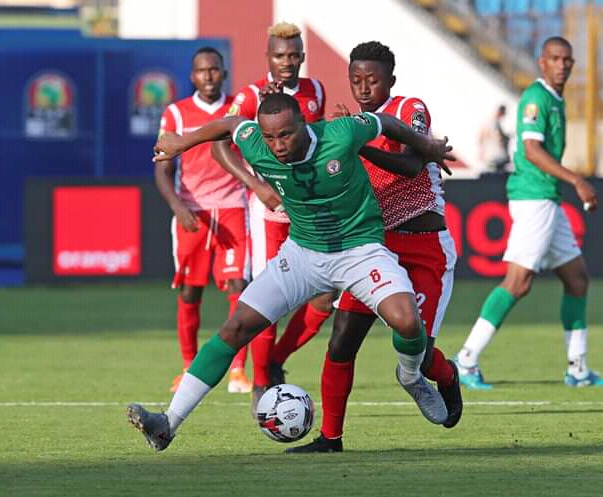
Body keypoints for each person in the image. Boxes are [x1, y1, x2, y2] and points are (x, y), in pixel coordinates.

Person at [127, 93, 457, 451]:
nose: (278, 145)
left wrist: (426, 146)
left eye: (285, 134)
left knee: (407, 322)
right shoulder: (256, 143)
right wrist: (183, 142)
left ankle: (410, 376)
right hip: (303, 254)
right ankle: (166, 425)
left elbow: (387, 123)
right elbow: (232, 125)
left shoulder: (341, 134)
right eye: (270, 137)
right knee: (235, 327)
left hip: (360, 251)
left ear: (304, 123)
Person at [285, 41, 462, 453]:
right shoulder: (351, 127)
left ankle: (444, 375)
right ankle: (330, 438)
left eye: (373, 79)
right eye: (356, 80)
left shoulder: (408, 109)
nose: (364, 87)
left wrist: (357, 142)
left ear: (391, 81)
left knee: (418, 351)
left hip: (424, 248)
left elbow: (412, 164)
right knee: (341, 342)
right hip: (376, 250)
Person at [453, 36, 603, 389]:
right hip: (534, 198)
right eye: (555, 58)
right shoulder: (536, 99)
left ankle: (578, 369)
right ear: (542, 62)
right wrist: (577, 181)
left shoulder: (555, 99)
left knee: (577, 279)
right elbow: (531, 150)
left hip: (547, 198)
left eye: (567, 60)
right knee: (518, 282)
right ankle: (465, 359)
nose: (562, 65)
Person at [213, 22, 335, 407]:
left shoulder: (315, 91)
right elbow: (219, 146)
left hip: (308, 207)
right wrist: (257, 185)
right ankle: (261, 384)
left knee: (326, 296)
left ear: (302, 56)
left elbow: (316, 143)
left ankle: (276, 360)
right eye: (280, 55)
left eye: (294, 54)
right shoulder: (251, 97)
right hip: (270, 210)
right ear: (267, 57)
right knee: (271, 298)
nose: (287, 61)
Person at [155, 47, 251, 394]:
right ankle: (188, 368)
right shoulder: (176, 113)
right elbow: (162, 168)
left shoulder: (238, 109)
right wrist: (177, 206)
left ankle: (237, 370)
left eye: (214, 69)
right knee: (190, 290)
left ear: (223, 73)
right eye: (202, 70)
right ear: (192, 76)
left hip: (232, 208)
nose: (208, 75)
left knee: (238, 287)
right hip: (192, 210)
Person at [478, 104, 511, 173]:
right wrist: (481, 150)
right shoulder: (491, 121)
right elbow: (482, 135)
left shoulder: (496, 122)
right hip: (494, 155)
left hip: (498, 155)